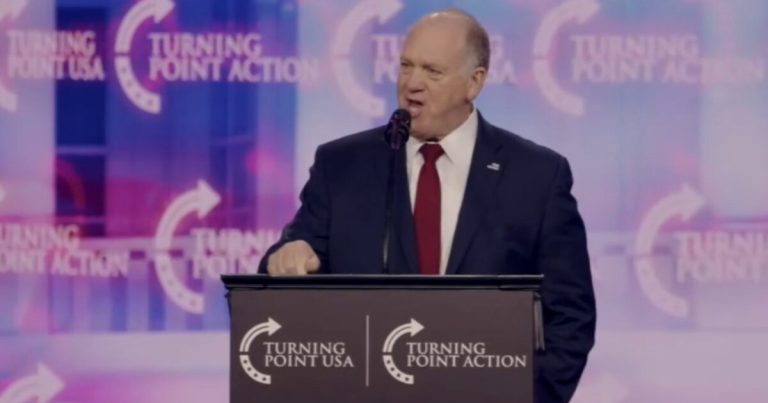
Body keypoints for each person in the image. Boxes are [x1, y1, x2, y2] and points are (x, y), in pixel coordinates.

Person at [259, 9, 595, 403]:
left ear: (474, 82)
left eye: (433, 71)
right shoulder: (342, 165)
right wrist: (288, 256)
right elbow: (285, 267)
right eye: (406, 66)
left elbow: (570, 315)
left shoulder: (536, 175)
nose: (412, 83)